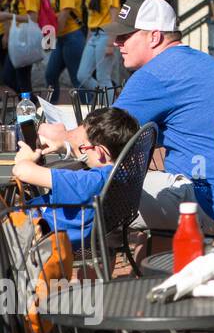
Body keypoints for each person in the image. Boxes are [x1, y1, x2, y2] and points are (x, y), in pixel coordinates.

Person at [39, 0, 214, 236]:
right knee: (122, 192)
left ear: (154, 37)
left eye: (125, 36)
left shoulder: (155, 74)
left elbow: (98, 136)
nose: (116, 42)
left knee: (92, 197)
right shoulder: (201, 60)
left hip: (208, 203)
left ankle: (86, 269)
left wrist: (63, 139)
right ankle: (150, 267)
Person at [14, 106, 140, 253]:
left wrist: (26, 158)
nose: (82, 151)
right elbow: (95, 160)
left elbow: (22, 171)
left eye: (84, 148)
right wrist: (64, 148)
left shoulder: (86, 182)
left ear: (99, 151)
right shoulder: (124, 174)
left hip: (42, 236)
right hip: (79, 234)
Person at [42, 0, 85, 104]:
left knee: (76, 78)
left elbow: (63, 17)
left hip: (72, 38)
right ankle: (51, 108)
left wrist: (49, 39)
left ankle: (88, 111)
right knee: (51, 74)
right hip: (64, 38)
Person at [77, 0, 122, 89]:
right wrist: (88, 40)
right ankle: (105, 98)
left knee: (103, 77)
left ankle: (109, 106)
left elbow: (115, 15)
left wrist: (110, 43)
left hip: (105, 35)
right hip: (93, 36)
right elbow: (92, 18)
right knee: (82, 75)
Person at [0, 0, 41, 95]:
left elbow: (33, 18)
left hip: (24, 40)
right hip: (18, 40)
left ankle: (31, 104)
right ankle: (28, 108)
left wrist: (8, 16)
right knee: (21, 79)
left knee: (11, 77)